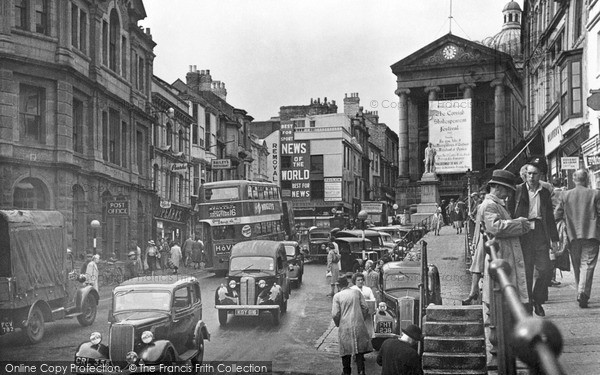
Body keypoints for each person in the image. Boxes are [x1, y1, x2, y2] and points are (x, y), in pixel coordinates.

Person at [463, 169, 532, 307]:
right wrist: (520, 224)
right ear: (498, 188)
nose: (508, 194)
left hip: (501, 251)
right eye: (507, 190)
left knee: (505, 290)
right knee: (503, 291)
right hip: (501, 252)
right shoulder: (490, 205)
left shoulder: (495, 204)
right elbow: (496, 228)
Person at [513, 161, 559, 317]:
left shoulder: (544, 192)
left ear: (540, 176)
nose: (531, 177)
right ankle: (527, 305)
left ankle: (537, 299)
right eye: (529, 173)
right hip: (523, 232)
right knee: (526, 270)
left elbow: (549, 216)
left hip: (540, 232)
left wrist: (554, 237)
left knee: (545, 269)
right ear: (525, 174)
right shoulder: (518, 191)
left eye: (534, 174)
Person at [554, 169, 600, 308]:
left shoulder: (565, 195)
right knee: (588, 264)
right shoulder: (595, 194)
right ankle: (582, 293)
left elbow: (557, 214)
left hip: (572, 235)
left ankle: (581, 291)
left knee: (577, 264)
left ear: (573, 179)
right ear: (586, 179)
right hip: (591, 234)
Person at [331, 276, 372, 375]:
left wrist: (338, 323)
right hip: (359, 325)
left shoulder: (337, 296)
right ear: (347, 284)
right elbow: (366, 308)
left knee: (346, 351)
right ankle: (361, 372)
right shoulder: (357, 293)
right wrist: (361, 318)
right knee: (359, 351)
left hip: (345, 326)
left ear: (338, 285)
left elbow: (335, 314)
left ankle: (346, 372)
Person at [351, 272, 376, 338]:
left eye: (361, 280)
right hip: (356, 314)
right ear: (354, 281)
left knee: (368, 330)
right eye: (358, 280)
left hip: (367, 314)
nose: (360, 281)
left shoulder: (368, 289)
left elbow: (373, 299)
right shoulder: (352, 289)